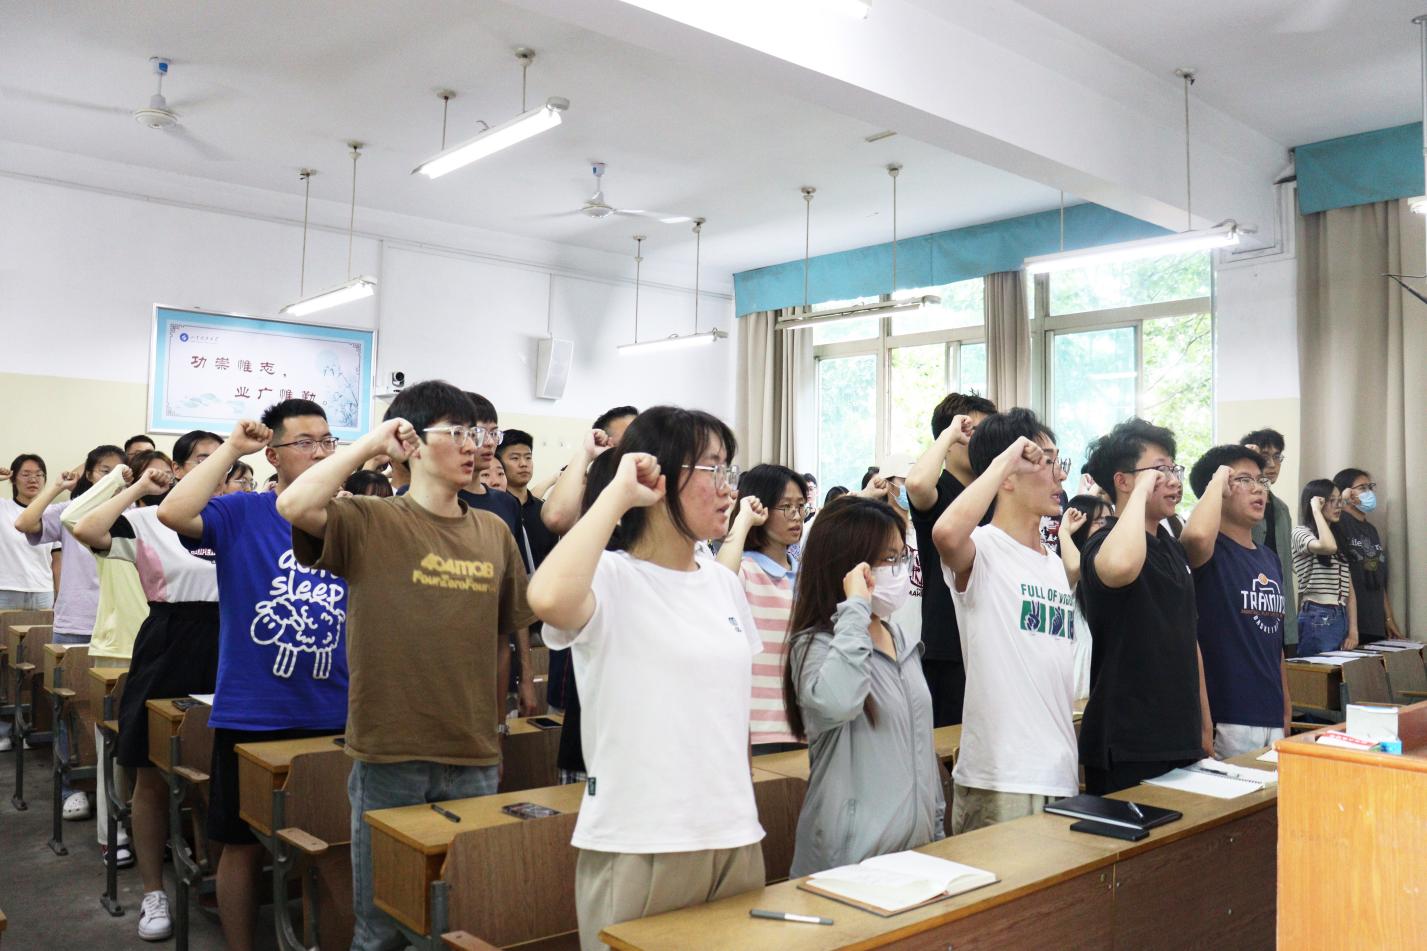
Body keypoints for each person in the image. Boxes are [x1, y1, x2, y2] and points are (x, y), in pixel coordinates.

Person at [277, 379, 534, 951]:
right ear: (411, 441)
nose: (473, 445)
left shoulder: (494, 531)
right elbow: (295, 504)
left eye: (476, 433)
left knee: (460, 923)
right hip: (391, 754)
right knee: (381, 926)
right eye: (456, 432)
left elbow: (501, 639)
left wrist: (496, 731)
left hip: (472, 754)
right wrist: (372, 443)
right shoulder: (371, 520)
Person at [527, 406, 765, 951]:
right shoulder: (610, 576)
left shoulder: (723, 584)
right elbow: (546, 598)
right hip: (642, 840)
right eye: (713, 469)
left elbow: (733, 716)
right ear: (661, 477)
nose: (728, 488)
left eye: (729, 469)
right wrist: (617, 494)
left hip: (733, 834)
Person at [159, 401, 350, 951]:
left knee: (332, 847)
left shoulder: (351, 517)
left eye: (327, 441)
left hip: (336, 708)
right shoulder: (243, 512)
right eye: (305, 442)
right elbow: (174, 513)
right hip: (256, 709)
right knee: (240, 844)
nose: (320, 452)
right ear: (274, 456)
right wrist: (231, 449)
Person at [71, 429, 223, 942]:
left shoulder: (233, 518)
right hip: (168, 645)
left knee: (216, 774)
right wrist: (138, 487)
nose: (213, 468)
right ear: (177, 470)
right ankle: (154, 891)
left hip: (229, 645)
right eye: (201, 459)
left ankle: (214, 872)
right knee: (152, 776)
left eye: (220, 461)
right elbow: (87, 529)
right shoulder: (147, 519)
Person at [932, 410, 1078, 832]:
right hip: (1002, 778)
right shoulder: (984, 548)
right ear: (1008, 475)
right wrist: (1006, 458)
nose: (1060, 476)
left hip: (1059, 771)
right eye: (1046, 462)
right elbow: (945, 535)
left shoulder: (1053, 565)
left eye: (1058, 462)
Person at [784, 495, 942, 874]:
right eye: (888, 559)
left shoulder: (902, 641)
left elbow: (922, 749)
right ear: (850, 567)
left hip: (915, 857)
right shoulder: (815, 645)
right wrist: (854, 606)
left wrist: (936, 830)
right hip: (847, 865)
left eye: (902, 557)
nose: (899, 570)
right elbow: (838, 702)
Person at [1077, 418, 1212, 794]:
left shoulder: (1171, 547)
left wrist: (1204, 722)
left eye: (1173, 469)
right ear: (1122, 481)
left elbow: (1189, 637)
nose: (1172, 480)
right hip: (1128, 739)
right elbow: (1121, 566)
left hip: (1180, 733)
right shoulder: (1103, 542)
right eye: (1159, 471)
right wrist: (1139, 492)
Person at [59, 449, 170, 867]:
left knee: (156, 754)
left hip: (165, 650)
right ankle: (113, 833)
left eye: (167, 473)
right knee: (116, 754)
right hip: (118, 650)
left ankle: (155, 830)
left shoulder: (175, 528)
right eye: (152, 474)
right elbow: (73, 517)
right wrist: (125, 480)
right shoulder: (117, 526)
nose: (162, 480)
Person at [13, 444, 126, 815]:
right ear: (90, 474)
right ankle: (69, 789)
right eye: (105, 470)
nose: (113, 477)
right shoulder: (71, 511)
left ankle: (115, 791)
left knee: (116, 714)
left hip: (121, 628)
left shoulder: (132, 513)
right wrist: (57, 487)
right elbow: (25, 523)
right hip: (77, 623)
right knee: (70, 710)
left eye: (120, 470)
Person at [1181, 445, 1291, 759]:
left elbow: (1275, 641)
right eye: (1243, 480)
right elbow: (1194, 538)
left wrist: (1286, 707)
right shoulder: (1209, 550)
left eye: (1261, 480)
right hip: (1228, 715)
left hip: (1271, 714)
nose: (1258, 489)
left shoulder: (1269, 558)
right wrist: (1218, 479)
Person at [905, 392, 997, 727]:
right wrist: (949, 433)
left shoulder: (993, 494)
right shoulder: (940, 489)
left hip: (993, 639)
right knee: (951, 744)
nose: (984, 444)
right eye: (975, 433)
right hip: (948, 644)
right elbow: (916, 484)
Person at [717, 464, 808, 753]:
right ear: (762, 509)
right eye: (786, 507)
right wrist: (743, 520)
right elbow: (719, 586)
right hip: (756, 728)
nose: (796, 515)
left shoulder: (807, 575)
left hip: (804, 726)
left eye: (800, 506)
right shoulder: (746, 569)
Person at [1240, 429, 1297, 652]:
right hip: (1250, 613)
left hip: (1280, 615)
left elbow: (1285, 573)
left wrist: (1290, 629)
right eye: (1265, 456)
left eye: (1277, 456)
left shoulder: (1281, 509)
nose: (1272, 464)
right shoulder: (1237, 505)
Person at [1333, 468, 1400, 644]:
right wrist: (1341, 500)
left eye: (1370, 487)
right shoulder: (1337, 523)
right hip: (1349, 625)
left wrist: (1388, 618)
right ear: (1346, 492)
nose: (1369, 492)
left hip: (1375, 623)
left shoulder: (1371, 530)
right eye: (1362, 488)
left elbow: (1377, 576)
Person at [1292, 480, 1357, 656]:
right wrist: (1315, 510)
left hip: (1340, 613)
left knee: (1337, 670)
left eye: (1339, 500)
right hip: (1317, 613)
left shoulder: (1337, 537)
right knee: (1316, 669)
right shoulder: (1301, 533)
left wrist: (1353, 630)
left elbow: (1349, 590)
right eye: (1330, 501)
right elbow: (1328, 547)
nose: (1338, 506)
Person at [1057, 494, 1110, 701]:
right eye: (1100, 522)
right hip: (1078, 692)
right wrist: (1064, 532)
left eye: (1110, 520)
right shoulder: (1063, 571)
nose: (1108, 528)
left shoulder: (1111, 571)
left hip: (1105, 688)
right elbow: (1075, 567)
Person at [1, 453, 58, 611]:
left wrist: (60, 594)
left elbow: (58, 560)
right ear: (13, 479)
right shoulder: (3, 507)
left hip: (43, 591)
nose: (33, 480)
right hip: (6, 590)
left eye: (39, 475)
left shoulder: (53, 513)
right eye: (25, 474)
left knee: (43, 629)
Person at [498, 429, 558, 570]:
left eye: (528, 457)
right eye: (515, 458)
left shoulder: (544, 511)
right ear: (499, 463)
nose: (523, 464)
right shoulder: (496, 508)